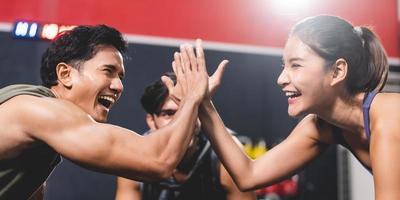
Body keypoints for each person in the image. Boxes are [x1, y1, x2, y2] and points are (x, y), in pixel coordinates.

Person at [168, 16, 399, 200]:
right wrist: (202, 102)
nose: (281, 78)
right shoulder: (323, 126)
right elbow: (249, 175)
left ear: (337, 71)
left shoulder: (389, 116)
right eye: (284, 65)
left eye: (295, 65)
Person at [0, 25, 214, 199]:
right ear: (65, 74)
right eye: (108, 71)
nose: (118, 86)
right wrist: (192, 97)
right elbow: (158, 160)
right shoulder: (39, 111)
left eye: (120, 77)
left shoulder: (36, 126)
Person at [115, 72, 256, 200]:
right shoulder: (135, 158)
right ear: (151, 121)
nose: (181, 122)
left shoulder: (225, 157)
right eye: (169, 113)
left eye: (188, 111)